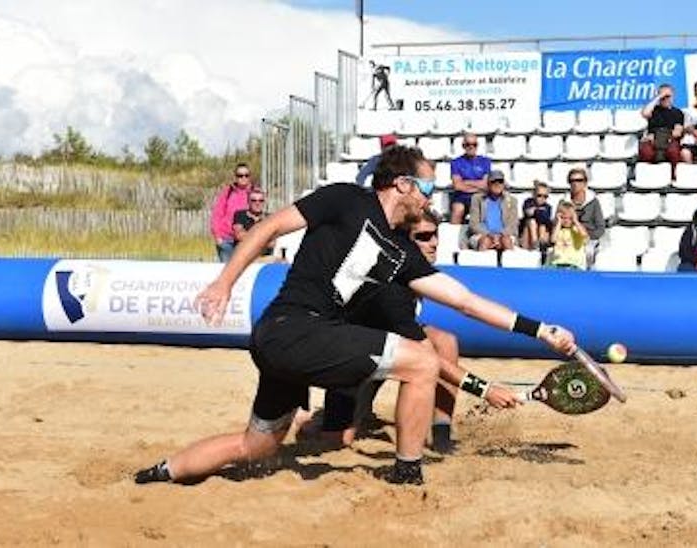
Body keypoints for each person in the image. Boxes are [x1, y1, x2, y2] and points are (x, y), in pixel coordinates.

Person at [133, 145, 576, 486]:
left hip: (292, 339)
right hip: (293, 327)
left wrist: (541, 330)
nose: (429, 199)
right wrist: (224, 282)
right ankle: (406, 475)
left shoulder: (401, 254)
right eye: (426, 188)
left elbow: (465, 300)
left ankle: (159, 473)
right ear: (402, 184)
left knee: (258, 446)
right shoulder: (346, 199)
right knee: (422, 362)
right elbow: (268, 227)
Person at [309, 210, 488, 454]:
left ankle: (442, 434)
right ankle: (308, 418)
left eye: (435, 235)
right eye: (424, 237)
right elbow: (430, 356)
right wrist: (485, 389)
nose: (434, 243)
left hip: (387, 350)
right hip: (356, 361)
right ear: (403, 242)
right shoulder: (390, 286)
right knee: (337, 442)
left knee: (445, 340)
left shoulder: (417, 273)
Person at [210, 163, 255, 262]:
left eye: (246, 175)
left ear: (250, 176)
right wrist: (218, 237)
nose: (243, 178)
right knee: (227, 273)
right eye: (240, 175)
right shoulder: (227, 192)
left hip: (246, 240)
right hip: (226, 240)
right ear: (235, 177)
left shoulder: (255, 194)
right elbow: (217, 214)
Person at [467, 170, 518, 251]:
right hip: (482, 234)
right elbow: (473, 224)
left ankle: (510, 262)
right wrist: (489, 234)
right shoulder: (477, 199)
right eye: (493, 181)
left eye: (500, 181)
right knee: (485, 241)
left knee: (506, 241)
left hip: (504, 235)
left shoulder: (512, 201)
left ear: (504, 184)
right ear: (488, 184)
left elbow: (513, 224)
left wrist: (500, 235)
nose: (497, 184)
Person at [449, 132, 492, 224]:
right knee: (457, 209)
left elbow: (485, 184)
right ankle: (452, 237)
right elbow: (457, 186)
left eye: (474, 144)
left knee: (483, 208)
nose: (471, 147)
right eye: (468, 144)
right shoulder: (456, 162)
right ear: (463, 146)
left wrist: (466, 182)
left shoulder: (485, 161)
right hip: (461, 196)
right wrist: (477, 184)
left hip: (480, 195)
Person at [638, 83, 685, 167]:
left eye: (668, 96)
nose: (665, 99)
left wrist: (660, 137)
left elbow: (677, 132)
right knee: (646, 152)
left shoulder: (678, 113)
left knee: (673, 151)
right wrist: (659, 97)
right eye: (663, 97)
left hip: (668, 139)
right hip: (652, 140)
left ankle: (674, 176)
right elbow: (645, 113)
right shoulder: (653, 110)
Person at [566, 167, 606, 264]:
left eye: (579, 180)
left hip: (589, 239)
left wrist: (587, 237)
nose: (575, 184)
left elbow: (600, 228)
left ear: (585, 183)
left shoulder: (594, 202)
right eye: (572, 181)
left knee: (588, 252)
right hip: (569, 238)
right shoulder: (564, 202)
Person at [548, 201, 588, 269]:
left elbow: (584, 235)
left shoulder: (576, 229)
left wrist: (575, 221)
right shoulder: (558, 230)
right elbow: (553, 240)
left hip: (573, 264)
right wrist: (559, 222)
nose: (566, 221)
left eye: (569, 218)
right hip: (558, 263)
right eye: (563, 218)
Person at [233, 189, 273, 256]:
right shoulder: (240, 215)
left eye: (261, 200)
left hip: (264, 257)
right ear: (248, 202)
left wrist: (248, 236)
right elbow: (239, 236)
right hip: (244, 256)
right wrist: (264, 238)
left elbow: (272, 243)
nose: (257, 203)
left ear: (264, 202)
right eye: (253, 200)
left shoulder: (269, 218)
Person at [519, 181, 554, 250]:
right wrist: (538, 211)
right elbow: (528, 213)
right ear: (534, 194)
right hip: (528, 230)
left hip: (542, 229)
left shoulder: (548, 207)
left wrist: (535, 211)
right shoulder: (528, 202)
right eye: (539, 195)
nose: (542, 198)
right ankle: (535, 242)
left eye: (545, 196)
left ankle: (541, 242)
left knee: (542, 225)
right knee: (532, 222)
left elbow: (545, 219)